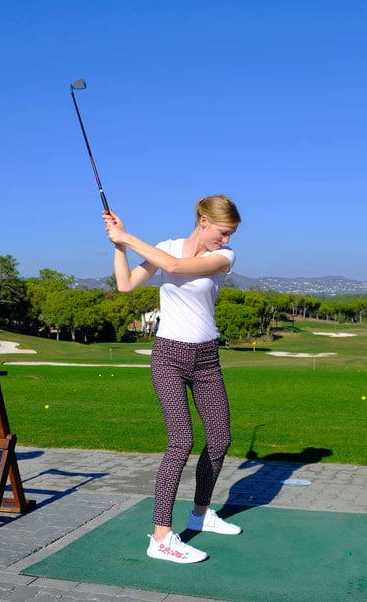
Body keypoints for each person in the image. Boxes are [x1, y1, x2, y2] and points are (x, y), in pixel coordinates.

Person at [103, 194, 242, 564]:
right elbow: (126, 284)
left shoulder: (224, 257)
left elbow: (176, 266)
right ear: (203, 220)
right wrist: (119, 245)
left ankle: (200, 513)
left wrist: (128, 236)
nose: (226, 240)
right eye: (223, 232)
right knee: (181, 441)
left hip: (207, 358)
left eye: (229, 234)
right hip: (168, 357)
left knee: (220, 440)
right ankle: (162, 537)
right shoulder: (165, 247)